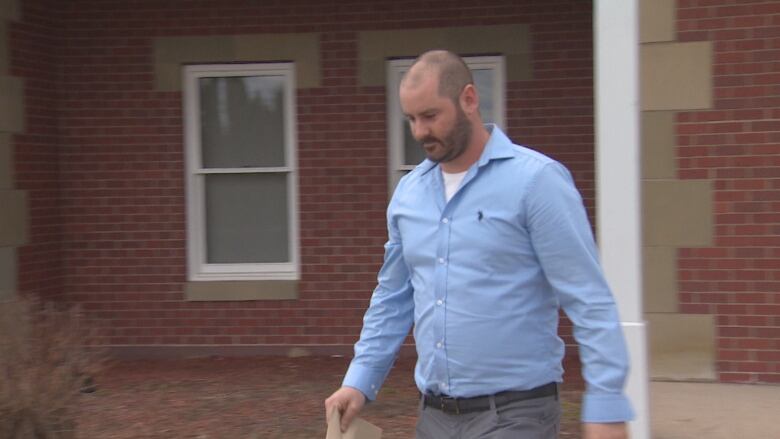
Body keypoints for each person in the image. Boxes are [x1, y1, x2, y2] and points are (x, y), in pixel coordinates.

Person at [324, 50, 634, 439]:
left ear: (469, 99)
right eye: (411, 119)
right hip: (435, 415)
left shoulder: (537, 182)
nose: (420, 131)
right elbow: (393, 298)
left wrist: (606, 402)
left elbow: (588, 298)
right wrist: (359, 380)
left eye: (431, 116)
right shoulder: (409, 195)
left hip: (516, 413)